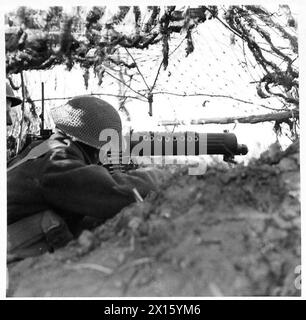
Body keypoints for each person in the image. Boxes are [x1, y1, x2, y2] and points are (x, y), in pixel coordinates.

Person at [7, 95, 163, 261]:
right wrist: (163, 175)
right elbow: (115, 192)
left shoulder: (43, 148)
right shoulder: (56, 162)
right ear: (96, 148)